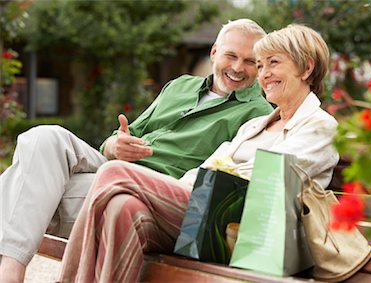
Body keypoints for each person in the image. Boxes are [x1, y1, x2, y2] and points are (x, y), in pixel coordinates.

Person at [58, 24, 340, 282]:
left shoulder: (319, 127)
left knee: (113, 171)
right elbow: (205, 169)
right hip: (210, 216)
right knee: (123, 207)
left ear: (306, 69)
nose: (263, 74)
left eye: (273, 63)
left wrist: (210, 176)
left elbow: (265, 181)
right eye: (262, 64)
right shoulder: (256, 125)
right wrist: (181, 187)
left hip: (249, 233)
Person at [0, 18, 274, 282]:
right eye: (231, 55)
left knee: (24, 185)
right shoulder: (180, 86)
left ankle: (8, 271)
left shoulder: (258, 114)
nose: (238, 67)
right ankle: (11, 271)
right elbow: (125, 136)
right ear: (214, 52)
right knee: (43, 137)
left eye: (250, 61)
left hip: (148, 193)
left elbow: (221, 180)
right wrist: (113, 146)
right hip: (109, 172)